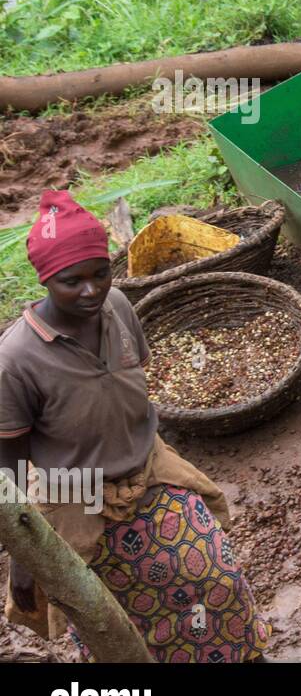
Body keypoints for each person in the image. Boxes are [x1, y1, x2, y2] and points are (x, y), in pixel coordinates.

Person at [1, 190, 271, 662]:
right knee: (111, 620)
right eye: (72, 281)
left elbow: (131, 386)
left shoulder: (119, 307)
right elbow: (10, 467)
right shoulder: (16, 359)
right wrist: (24, 556)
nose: (91, 291)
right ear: (46, 280)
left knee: (216, 578)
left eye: (101, 273)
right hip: (75, 492)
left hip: (148, 467)